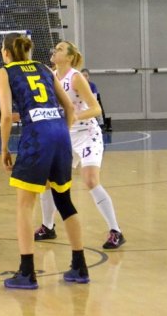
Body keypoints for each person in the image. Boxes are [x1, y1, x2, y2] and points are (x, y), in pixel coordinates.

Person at [0, 33, 89, 289]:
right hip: (60, 134)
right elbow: (69, 107)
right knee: (64, 201)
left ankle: (26, 272)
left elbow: (5, 116)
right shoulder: (45, 68)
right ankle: (80, 267)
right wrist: (61, 135)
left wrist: (3, 148)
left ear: (6, 53)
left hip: (37, 136)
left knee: (25, 205)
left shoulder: (3, 73)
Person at [34, 42, 125, 250]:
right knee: (48, 181)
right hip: (65, 135)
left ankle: (116, 231)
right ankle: (48, 227)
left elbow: (96, 109)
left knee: (90, 180)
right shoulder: (50, 75)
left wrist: (75, 116)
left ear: (69, 57)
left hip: (87, 134)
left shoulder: (76, 77)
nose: (54, 51)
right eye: (55, 48)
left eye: (59, 49)